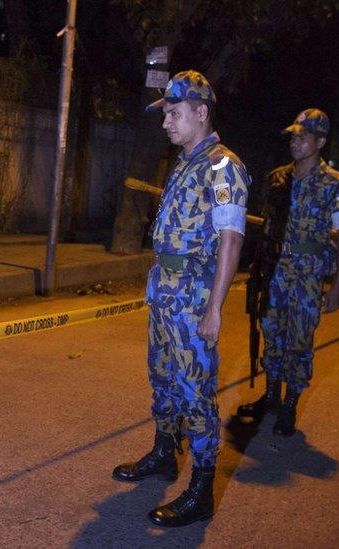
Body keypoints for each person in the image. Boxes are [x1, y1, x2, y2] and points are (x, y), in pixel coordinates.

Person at [112, 70, 250, 527]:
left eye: (173, 113)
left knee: (196, 392)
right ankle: (163, 454)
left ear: (201, 112)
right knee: (165, 379)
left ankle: (201, 491)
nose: (166, 122)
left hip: (193, 297)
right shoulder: (186, 162)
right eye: (165, 113)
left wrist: (214, 309)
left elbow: (231, 238)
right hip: (166, 292)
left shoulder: (222, 166)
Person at [237, 108, 339, 437]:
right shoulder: (278, 177)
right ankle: (271, 396)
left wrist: (338, 286)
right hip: (277, 269)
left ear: (320, 141)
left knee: (300, 339)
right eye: (293, 136)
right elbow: (270, 225)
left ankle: (290, 404)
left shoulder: (336, 185)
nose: (296, 142)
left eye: (303, 137)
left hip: (308, 272)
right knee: (271, 331)